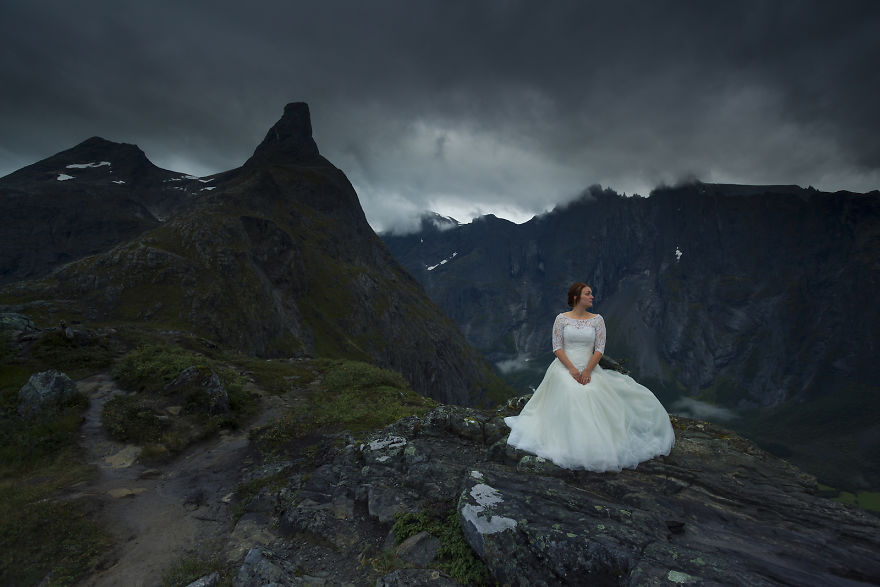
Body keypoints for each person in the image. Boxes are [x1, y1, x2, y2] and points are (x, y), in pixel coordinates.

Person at [504, 282, 674, 471]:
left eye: (591, 293)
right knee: (571, 391)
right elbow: (557, 348)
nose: (592, 296)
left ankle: (597, 445)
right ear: (576, 298)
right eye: (588, 293)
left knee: (594, 392)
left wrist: (587, 371)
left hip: (589, 368)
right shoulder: (561, 319)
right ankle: (573, 443)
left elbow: (599, 349)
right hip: (563, 367)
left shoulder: (597, 320)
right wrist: (572, 369)